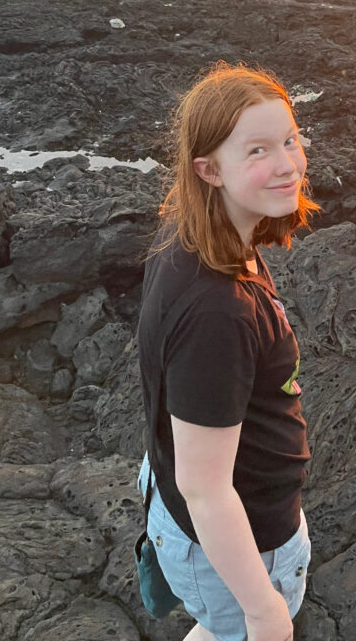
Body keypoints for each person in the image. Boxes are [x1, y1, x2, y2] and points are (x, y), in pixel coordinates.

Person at [137, 62, 319, 641]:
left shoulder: (187, 240)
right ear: (208, 169)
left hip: (195, 517)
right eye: (259, 150)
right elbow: (206, 488)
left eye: (290, 139)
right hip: (232, 546)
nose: (288, 163)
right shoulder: (218, 312)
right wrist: (264, 609)